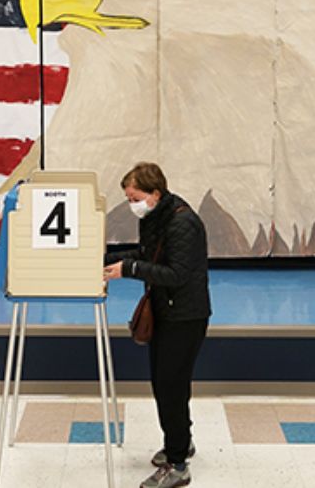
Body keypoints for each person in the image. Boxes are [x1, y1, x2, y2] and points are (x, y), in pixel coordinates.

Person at [104, 163, 211, 488]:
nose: (131, 204)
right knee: (168, 385)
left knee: (170, 387)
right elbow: (150, 256)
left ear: (155, 193)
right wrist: (114, 261)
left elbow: (176, 274)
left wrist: (130, 268)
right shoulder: (157, 217)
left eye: (134, 197)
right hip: (167, 313)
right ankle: (181, 443)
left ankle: (178, 465)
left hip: (184, 317)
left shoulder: (183, 223)